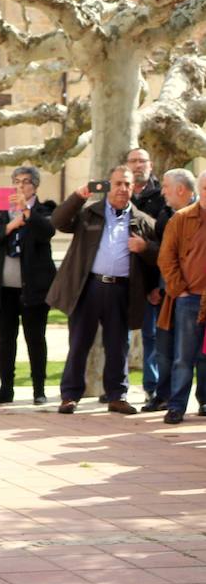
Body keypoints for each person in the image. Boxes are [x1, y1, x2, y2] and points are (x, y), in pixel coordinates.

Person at [49, 166, 159, 415]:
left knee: (118, 345)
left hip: (121, 290)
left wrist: (145, 248)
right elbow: (58, 221)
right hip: (88, 287)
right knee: (79, 343)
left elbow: (158, 257)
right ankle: (70, 396)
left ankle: (117, 396)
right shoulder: (90, 214)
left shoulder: (142, 221)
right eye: (118, 183)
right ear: (108, 185)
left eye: (127, 184)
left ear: (133, 188)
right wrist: (78, 196)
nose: (122, 189)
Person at [0, 167, 56, 405]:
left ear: (35, 185)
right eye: (16, 181)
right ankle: (6, 389)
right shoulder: (3, 212)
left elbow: (47, 232)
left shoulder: (45, 209)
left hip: (34, 288)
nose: (20, 186)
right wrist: (10, 225)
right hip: (4, 289)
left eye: (26, 182)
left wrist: (26, 211)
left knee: (35, 338)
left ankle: (39, 390)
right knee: (6, 339)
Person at [146, 169, 198, 413]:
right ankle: (172, 402)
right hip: (178, 297)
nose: (162, 191)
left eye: (166, 186)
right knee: (174, 355)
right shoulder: (173, 216)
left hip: (191, 296)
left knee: (199, 357)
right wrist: (177, 289)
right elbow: (165, 258)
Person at [156, 169, 206, 424]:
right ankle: (176, 406)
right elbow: (166, 258)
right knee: (183, 357)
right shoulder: (181, 218)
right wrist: (180, 289)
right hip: (189, 299)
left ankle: (205, 402)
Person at [127, 149, 166, 403]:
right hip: (124, 279)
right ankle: (116, 386)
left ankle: (152, 387)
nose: (139, 165)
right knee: (120, 336)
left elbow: (166, 244)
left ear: (151, 165)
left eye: (143, 161)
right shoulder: (118, 195)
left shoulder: (163, 197)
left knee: (152, 337)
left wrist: (159, 286)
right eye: (134, 161)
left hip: (152, 279)